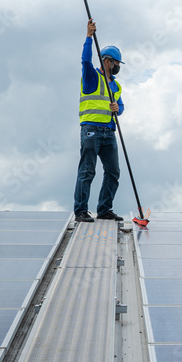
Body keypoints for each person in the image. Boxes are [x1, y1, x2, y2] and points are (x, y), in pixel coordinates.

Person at [73, 20, 125, 223]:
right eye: (117, 63)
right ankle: (81, 211)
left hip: (109, 133)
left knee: (113, 171)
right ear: (108, 61)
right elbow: (85, 61)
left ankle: (104, 209)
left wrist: (117, 109)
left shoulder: (116, 85)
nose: (119, 66)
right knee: (87, 170)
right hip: (91, 130)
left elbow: (120, 107)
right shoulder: (91, 76)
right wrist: (88, 37)